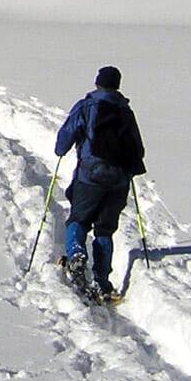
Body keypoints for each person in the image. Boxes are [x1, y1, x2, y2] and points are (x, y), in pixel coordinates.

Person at [54, 65, 148, 302]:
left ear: (98, 83)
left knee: (79, 219)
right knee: (105, 229)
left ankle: (76, 255)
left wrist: (61, 150)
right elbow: (138, 148)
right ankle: (101, 280)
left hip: (90, 176)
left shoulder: (87, 106)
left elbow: (64, 138)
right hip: (118, 180)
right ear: (117, 85)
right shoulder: (125, 111)